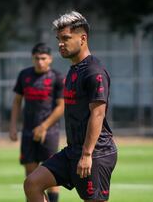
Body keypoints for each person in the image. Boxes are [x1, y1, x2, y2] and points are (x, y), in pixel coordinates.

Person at [23, 11, 117, 202]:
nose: (60, 43)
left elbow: (97, 115)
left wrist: (87, 154)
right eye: (59, 38)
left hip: (96, 153)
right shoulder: (74, 69)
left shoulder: (94, 71)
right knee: (32, 183)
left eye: (66, 38)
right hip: (72, 151)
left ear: (83, 39)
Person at [9, 43, 64, 202]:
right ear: (32, 59)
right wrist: (13, 126)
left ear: (50, 59)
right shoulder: (24, 75)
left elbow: (61, 106)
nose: (40, 62)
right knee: (31, 177)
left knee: (52, 174)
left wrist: (44, 126)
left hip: (50, 132)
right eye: (36, 58)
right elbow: (17, 102)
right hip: (28, 132)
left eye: (43, 58)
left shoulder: (57, 77)